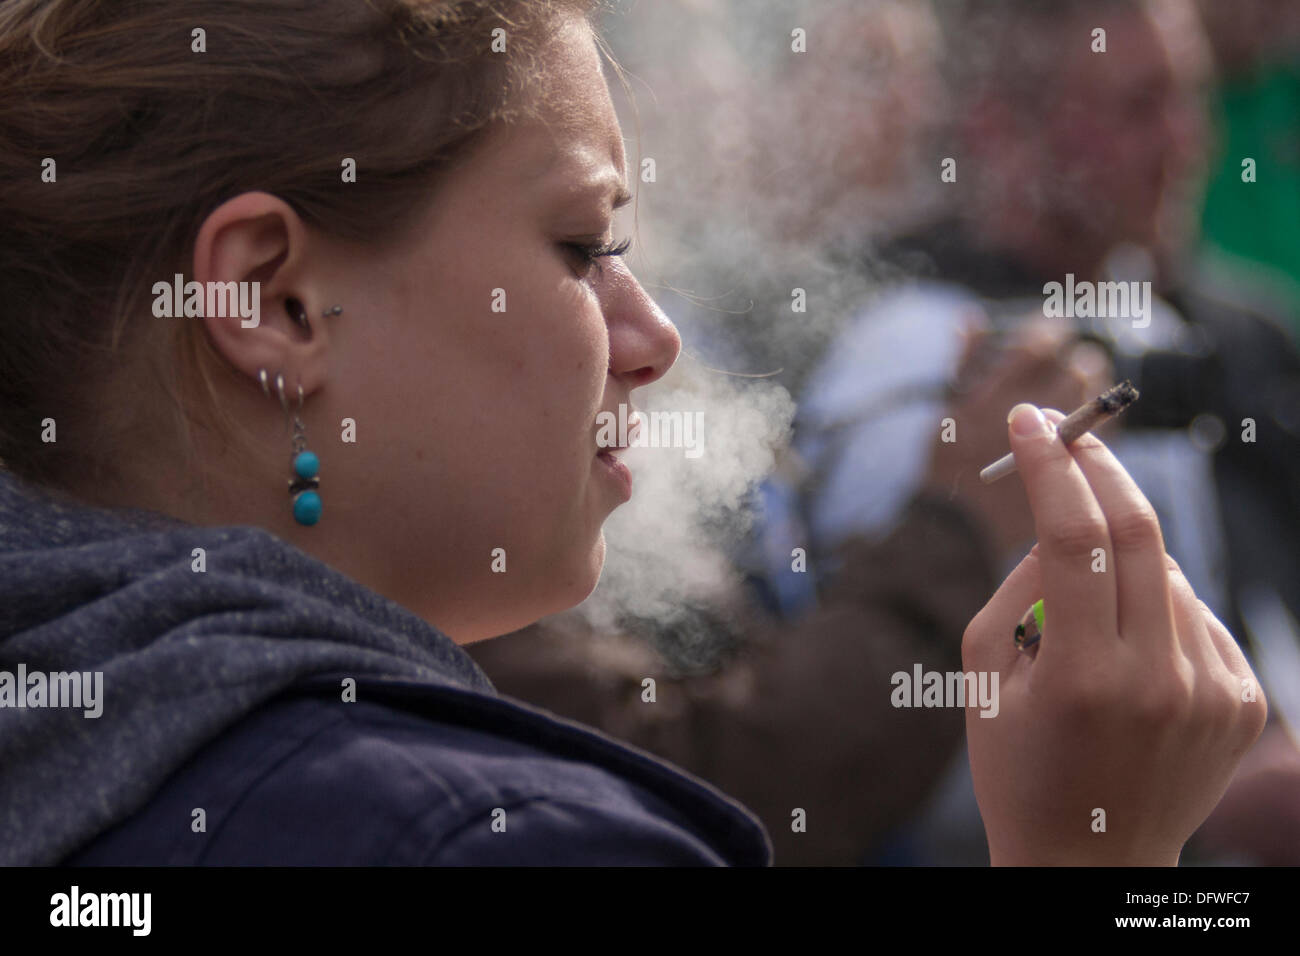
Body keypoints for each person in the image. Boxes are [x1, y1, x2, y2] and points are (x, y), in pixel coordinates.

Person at [0, 0, 1266, 866]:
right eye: (582, 248)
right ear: (271, 300)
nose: (651, 337)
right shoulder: (515, 838)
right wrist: (1097, 845)